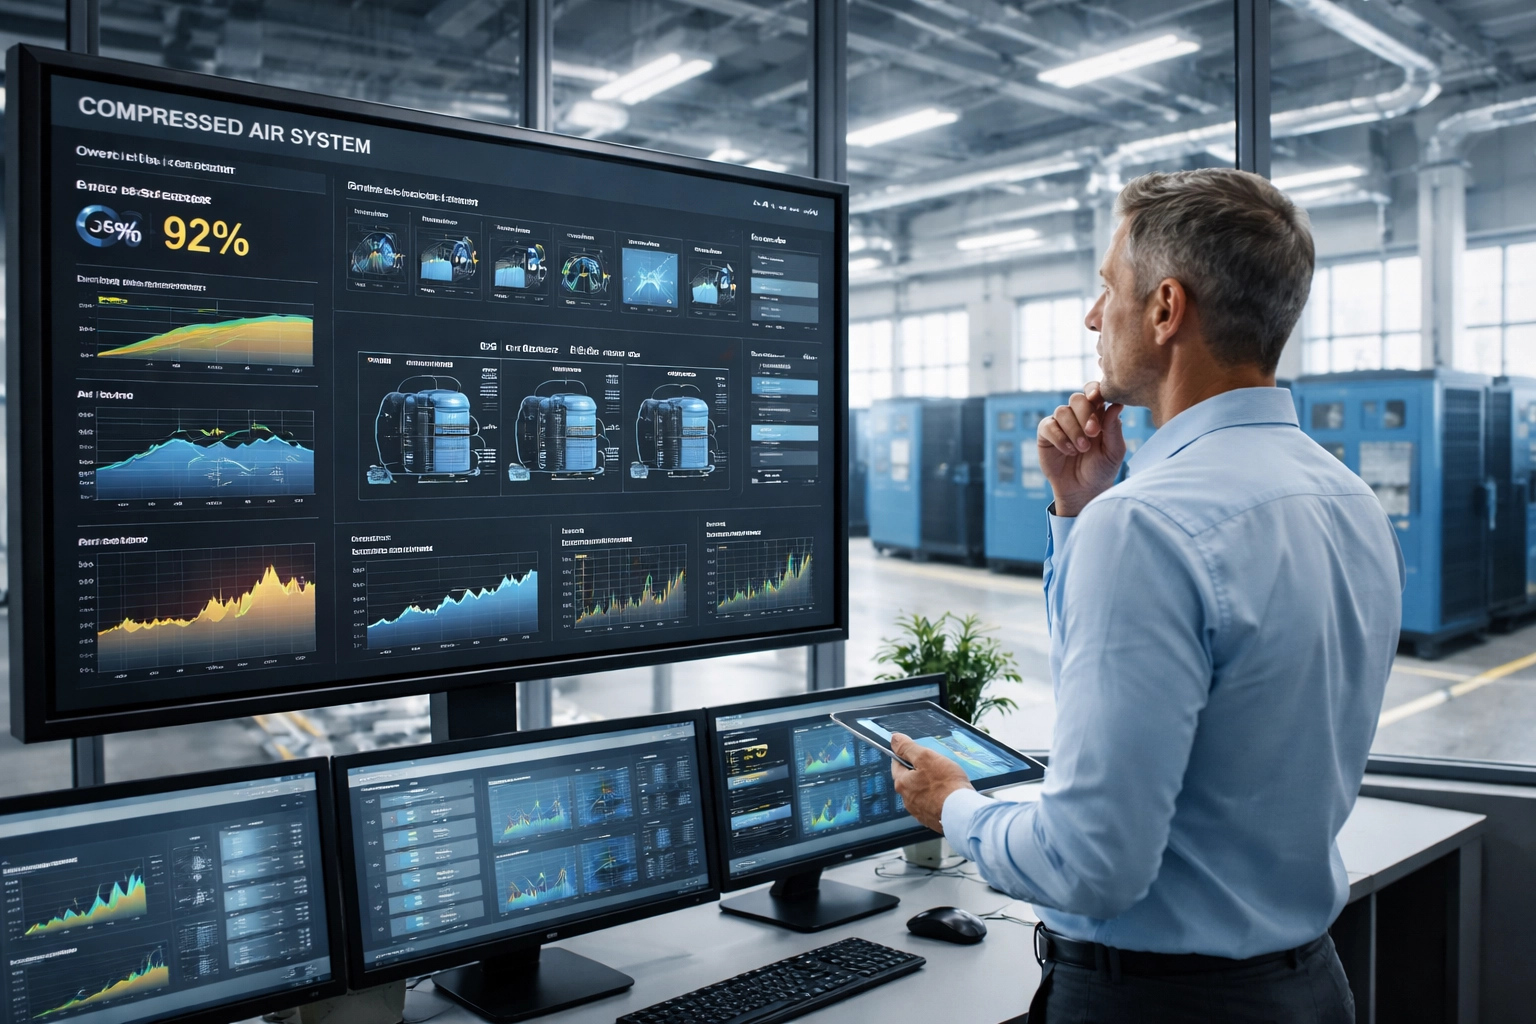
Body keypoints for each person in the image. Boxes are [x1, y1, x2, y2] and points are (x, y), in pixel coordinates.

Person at [890, 167, 1404, 1023]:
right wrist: (1082, 510)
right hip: (1306, 987)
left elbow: (1092, 864)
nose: (1095, 318)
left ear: (1166, 309)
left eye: (1107, 290)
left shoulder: (1150, 525)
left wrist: (957, 808)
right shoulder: (1348, 500)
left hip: (1161, 1005)